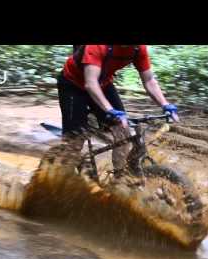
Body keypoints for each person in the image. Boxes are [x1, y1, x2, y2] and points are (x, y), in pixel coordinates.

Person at [55, 45, 179, 177]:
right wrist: (110, 109)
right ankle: (60, 180)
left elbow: (148, 80)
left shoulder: (138, 48)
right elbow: (90, 83)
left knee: (123, 132)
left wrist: (165, 104)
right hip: (72, 84)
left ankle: (119, 177)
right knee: (75, 141)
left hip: (103, 83)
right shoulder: (97, 46)